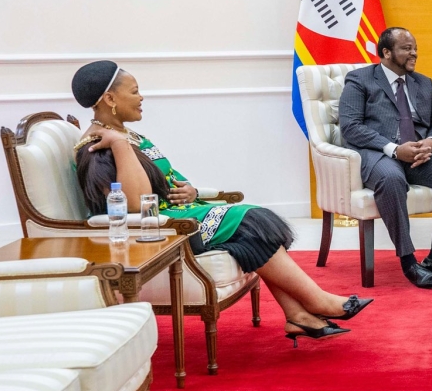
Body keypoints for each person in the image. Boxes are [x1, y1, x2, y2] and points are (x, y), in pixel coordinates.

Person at [70, 60, 371, 346]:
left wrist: (190, 191)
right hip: (162, 232)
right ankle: (316, 302)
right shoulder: (98, 146)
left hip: (180, 213)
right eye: (135, 91)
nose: (141, 98)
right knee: (252, 219)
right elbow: (136, 204)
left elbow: (167, 178)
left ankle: (299, 316)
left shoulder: (127, 135)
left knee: (252, 232)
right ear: (110, 98)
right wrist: (119, 145)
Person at [338, 27, 432, 289]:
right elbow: (351, 127)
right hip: (380, 154)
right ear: (386, 52)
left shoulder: (424, 83)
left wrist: (430, 144)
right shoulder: (360, 79)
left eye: (415, 48)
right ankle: (408, 261)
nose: (414, 54)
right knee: (392, 179)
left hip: (419, 156)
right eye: (406, 48)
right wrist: (394, 149)